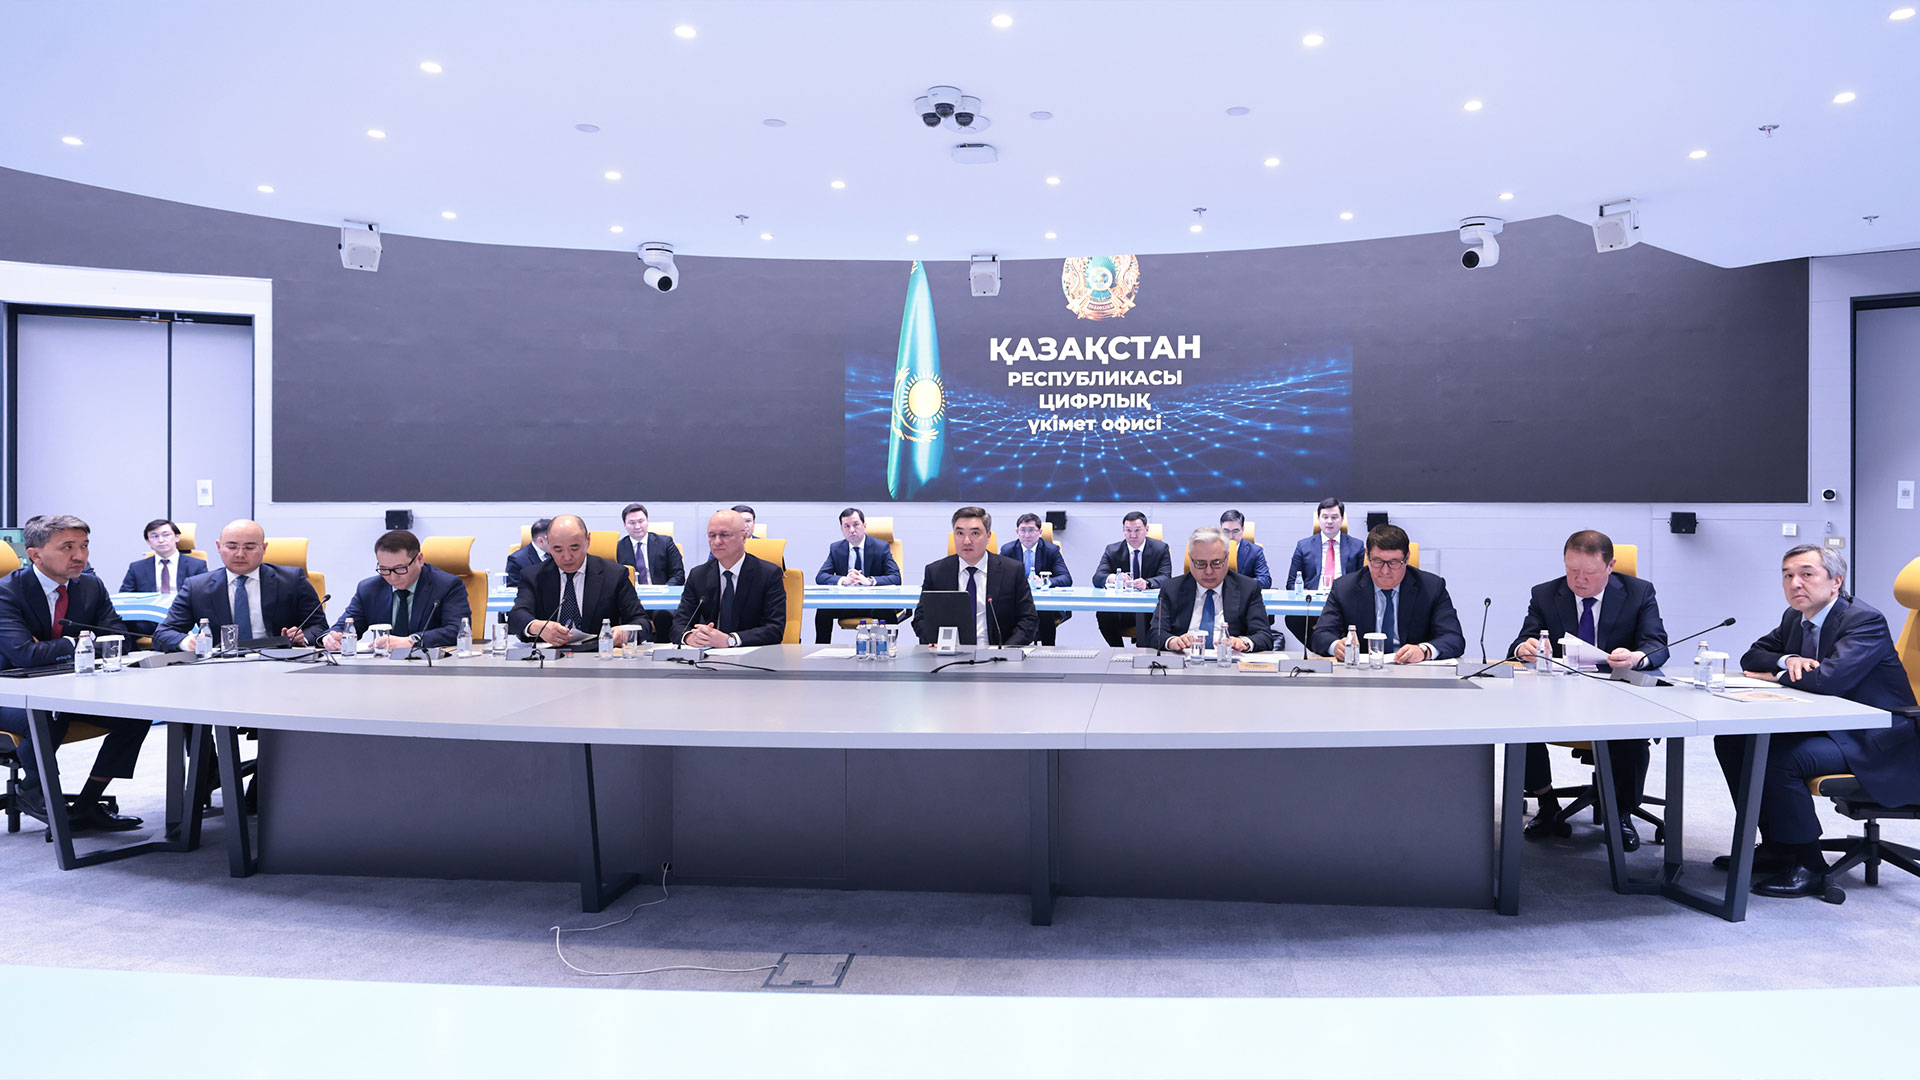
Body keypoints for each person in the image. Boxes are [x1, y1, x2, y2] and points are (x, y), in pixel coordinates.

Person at [1714, 545, 1920, 898]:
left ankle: (1810, 864)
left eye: (1806, 574)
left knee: (1782, 758)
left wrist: (1775, 676)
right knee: (1734, 740)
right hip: (1835, 727)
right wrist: (1788, 659)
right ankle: (1778, 846)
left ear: (1836, 581)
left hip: (1880, 736)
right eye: (1787, 575)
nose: (1795, 583)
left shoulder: (1863, 620)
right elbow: (1752, 656)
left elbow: (1829, 681)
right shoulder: (1795, 617)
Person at [1509, 530, 1671, 849]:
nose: (1579, 580)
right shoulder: (1545, 594)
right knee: (1517, 720)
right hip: (1559, 695)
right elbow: (1520, 642)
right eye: (1572, 570)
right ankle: (1546, 802)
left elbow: (1657, 644)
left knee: (1631, 731)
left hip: (1617, 694)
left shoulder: (1638, 592)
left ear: (1611, 566)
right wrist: (1523, 649)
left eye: (1590, 572)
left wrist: (1637, 657)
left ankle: (1621, 811)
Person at [0, 514, 149, 830]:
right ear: (35, 554)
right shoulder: (7, 592)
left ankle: (87, 804)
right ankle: (33, 788)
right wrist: (79, 643)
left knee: (136, 715)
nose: (80, 555)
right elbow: (25, 655)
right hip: (9, 694)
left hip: (69, 689)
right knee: (48, 714)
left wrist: (55, 647)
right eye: (67, 547)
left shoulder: (90, 586)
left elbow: (119, 640)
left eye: (84, 546)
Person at [154, 519, 329, 653]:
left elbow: (319, 627)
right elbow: (163, 633)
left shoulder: (291, 580)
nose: (240, 554)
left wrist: (302, 638)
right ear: (219, 547)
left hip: (278, 662)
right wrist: (187, 643)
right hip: (220, 665)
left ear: (264, 548)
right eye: (231, 547)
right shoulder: (197, 587)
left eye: (249, 547)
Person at [1310, 524, 1464, 662]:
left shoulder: (1431, 587)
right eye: (1377, 561)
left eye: (1393, 562)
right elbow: (1321, 634)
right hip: (1362, 673)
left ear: (1407, 558)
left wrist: (1424, 651)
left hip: (1413, 672)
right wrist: (1336, 646)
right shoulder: (1344, 588)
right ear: (1367, 555)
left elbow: (1453, 638)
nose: (1385, 571)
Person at [507, 515, 644, 650]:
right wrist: (537, 627)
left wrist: (624, 634)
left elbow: (642, 622)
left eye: (574, 548)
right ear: (548, 543)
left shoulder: (614, 575)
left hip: (598, 655)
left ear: (588, 540)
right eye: (558, 549)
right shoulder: (533, 576)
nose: (567, 557)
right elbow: (516, 617)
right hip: (549, 656)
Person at [323, 530, 473, 653]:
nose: (393, 577)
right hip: (382, 669)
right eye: (384, 569)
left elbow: (456, 630)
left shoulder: (446, 585)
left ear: (419, 559)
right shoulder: (369, 589)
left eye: (400, 568)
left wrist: (411, 640)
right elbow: (346, 625)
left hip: (431, 667)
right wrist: (332, 637)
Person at [911, 507, 1037, 648]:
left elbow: (1028, 620)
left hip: (996, 654)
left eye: (975, 533)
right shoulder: (936, 572)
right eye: (960, 533)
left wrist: (1006, 651)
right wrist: (934, 639)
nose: (966, 541)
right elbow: (921, 618)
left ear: (988, 536)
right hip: (949, 655)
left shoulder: (1012, 571)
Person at [1147, 527, 1274, 654]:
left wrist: (1243, 642)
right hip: (1184, 661)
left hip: (1229, 661)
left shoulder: (1248, 588)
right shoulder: (1172, 588)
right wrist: (1173, 641)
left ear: (1227, 559)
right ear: (1190, 561)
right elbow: (1155, 633)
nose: (1208, 571)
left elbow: (1264, 636)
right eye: (1200, 563)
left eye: (1216, 562)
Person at [672, 510, 786, 647]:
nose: (717, 542)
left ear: (744, 537)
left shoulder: (768, 574)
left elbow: (774, 629)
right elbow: (678, 625)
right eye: (712, 535)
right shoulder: (698, 575)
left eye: (724, 535)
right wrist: (690, 637)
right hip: (708, 654)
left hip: (752, 654)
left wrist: (730, 640)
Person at [813, 508, 902, 644]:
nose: (852, 530)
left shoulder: (881, 547)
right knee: (823, 610)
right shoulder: (836, 548)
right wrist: (844, 580)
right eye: (847, 526)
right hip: (847, 603)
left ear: (864, 526)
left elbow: (896, 577)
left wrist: (869, 581)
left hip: (873, 603)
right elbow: (820, 576)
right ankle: (821, 649)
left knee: (887, 611)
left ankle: (889, 648)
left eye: (856, 524)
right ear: (842, 529)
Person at [1285, 499, 1365, 649]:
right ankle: (1324, 648)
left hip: (1344, 602)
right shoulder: (1303, 545)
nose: (1329, 521)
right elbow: (1291, 582)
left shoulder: (1357, 545)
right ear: (1318, 518)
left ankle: (1331, 647)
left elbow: (1362, 581)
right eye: (1325, 517)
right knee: (1292, 619)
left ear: (1342, 519)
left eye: (1334, 517)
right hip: (1312, 602)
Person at [1092, 511, 1172, 646]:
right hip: (1123, 607)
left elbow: (1166, 577)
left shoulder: (1161, 549)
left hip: (1149, 607)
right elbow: (1097, 578)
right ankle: (1118, 651)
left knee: (1152, 620)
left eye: (1137, 530)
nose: (1133, 535)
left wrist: (1147, 583)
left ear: (1146, 529)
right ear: (1123, 530)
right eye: (1128, 530)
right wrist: (1113, 578)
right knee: (1104, 614)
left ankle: (1144, 652)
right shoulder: (1112, 550)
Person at [118, 518, 209, 636]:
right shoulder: (137, 568)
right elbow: (125, 598)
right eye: (154, 536)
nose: (161, 540)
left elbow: (204, 597)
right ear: (148, 542)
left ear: (177, 537)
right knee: (119, 626)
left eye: (166, 535)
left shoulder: (196, 565)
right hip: (148, 622)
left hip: (182, 619)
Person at [614, 503, 686, 642]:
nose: (637, 526)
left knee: (663, 615)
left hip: (661, 599)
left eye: (641, 521)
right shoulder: (618, 548)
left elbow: (678, 574)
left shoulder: (665, 542)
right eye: (632, 523)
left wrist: (663, 590)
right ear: (625, 525)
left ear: (647, 521)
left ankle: (663, 649)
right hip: (633, 601)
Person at [999, 513, 1073, 646]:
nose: (1027, 535)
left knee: (1045, 612)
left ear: (1040, 532)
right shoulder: (1008, 550)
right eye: (1023, 530)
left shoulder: (1051, 550)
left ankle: (1048, 651)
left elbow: (1066, 578)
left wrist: (1046, 582)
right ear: (1017, 532)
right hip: (1016, 601)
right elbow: (998, 577)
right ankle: (1010, 649)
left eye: (1031, 530)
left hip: (1043, 602)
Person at [1216, 510, 1272, 589]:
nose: (1231, 536)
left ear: (1242, 530)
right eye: (1226, 531)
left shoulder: (1255, 551)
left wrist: (1239, 583)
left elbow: (1265, 581)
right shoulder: (1210, 549)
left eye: (1235, 531)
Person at [502, 518, 553, 589]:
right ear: (541, 541)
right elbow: (513, 590)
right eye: (555, 539)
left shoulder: (558, 554)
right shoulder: (516, 560)